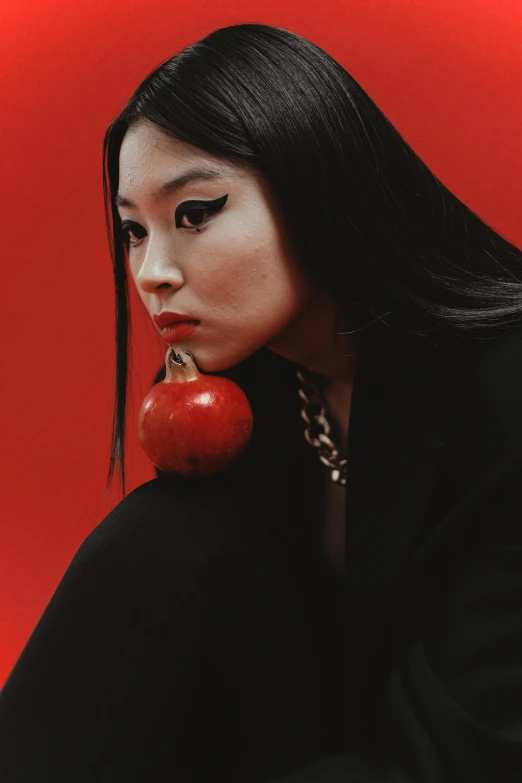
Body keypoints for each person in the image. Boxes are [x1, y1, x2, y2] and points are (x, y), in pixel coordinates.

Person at [1, 21, 522, 783]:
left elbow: (471, 748)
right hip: (322, 742)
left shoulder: (504, 389)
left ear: (321, 187)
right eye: (131, 231)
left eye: (195, 213)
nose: (152, 272)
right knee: (167, 531)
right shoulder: (244, 392)